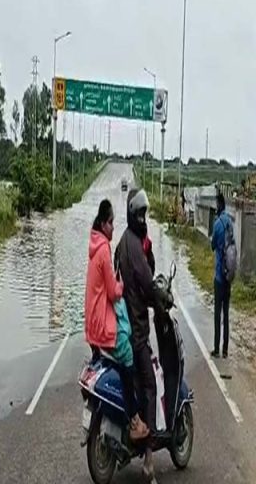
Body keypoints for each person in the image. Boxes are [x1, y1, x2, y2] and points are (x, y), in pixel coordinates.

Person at [84, 199, 148, 441]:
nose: (113, 227)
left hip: (91, 323)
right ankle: (133, 420)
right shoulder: (103, 250)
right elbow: (113, 291)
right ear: (103, 223)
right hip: (103, 324)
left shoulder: (94, 246)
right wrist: (122, 285)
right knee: (129, 358)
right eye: (110, 223)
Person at [115, 188, 164, 478]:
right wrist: (160, 301)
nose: (144, 218)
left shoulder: (123, 242)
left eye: (146, 214)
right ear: (134, 214)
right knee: (150, 385)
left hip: (123, 327)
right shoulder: (135, 246)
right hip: (137, 332)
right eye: (141, 214)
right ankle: (148, 455)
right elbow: (147, 284)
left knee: (135, 383)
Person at [211, 192, 234, 358]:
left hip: (219, 276)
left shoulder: (217, 224)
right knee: (226, 314)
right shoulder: (230, 222)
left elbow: (213, 245)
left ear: (219, 205)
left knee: (217, 313)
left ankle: (217, 349)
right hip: (229, 276)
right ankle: (226, 350)